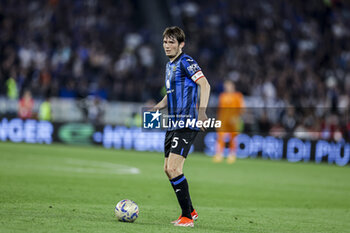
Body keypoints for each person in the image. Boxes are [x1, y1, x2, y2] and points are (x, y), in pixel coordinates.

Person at [152, 26, 211, 227]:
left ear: (181, 44)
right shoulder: (169, 66)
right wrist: (157, 108)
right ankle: (190, 211)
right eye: (165, 42)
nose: (167, 46)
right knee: (168, 169)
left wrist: (202, 112)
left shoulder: (186, 61)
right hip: (173, 123)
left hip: (186, 122)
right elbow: (170, 95)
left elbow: (205, 84)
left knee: (175, 168)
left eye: (172, 42)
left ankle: (186, 217)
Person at [213, 80, 245, 164]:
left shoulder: (238, 96)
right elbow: (219, 109)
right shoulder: (222, 96)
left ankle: (232, 155)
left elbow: (241, 108)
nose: (227, 87)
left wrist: (237, 118)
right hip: (223, 120)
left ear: (233, 86)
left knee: (233, 138)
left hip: (233, 121)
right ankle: (219, 154)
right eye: (226, 86)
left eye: (228, 85)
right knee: (220, 137)